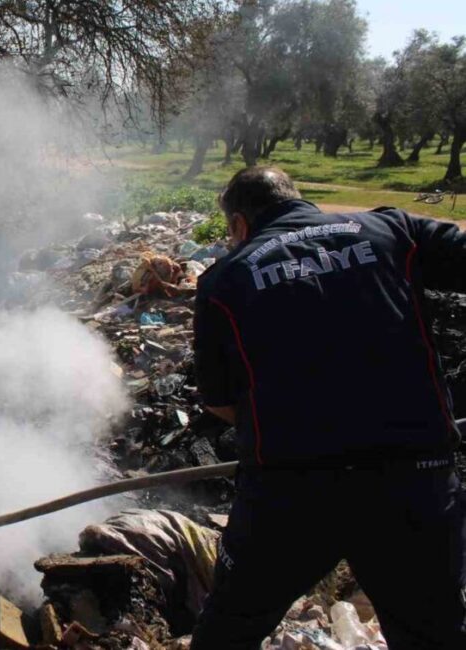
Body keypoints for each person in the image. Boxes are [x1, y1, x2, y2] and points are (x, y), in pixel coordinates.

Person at [190, 166, 466, 649]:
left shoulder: (224, 282)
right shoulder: (392, 229)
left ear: (236, 225)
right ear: (299, 200)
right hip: (413, 480)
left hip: (289, 492)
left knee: (228, 631)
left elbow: (220, 402)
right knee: (434, 633)